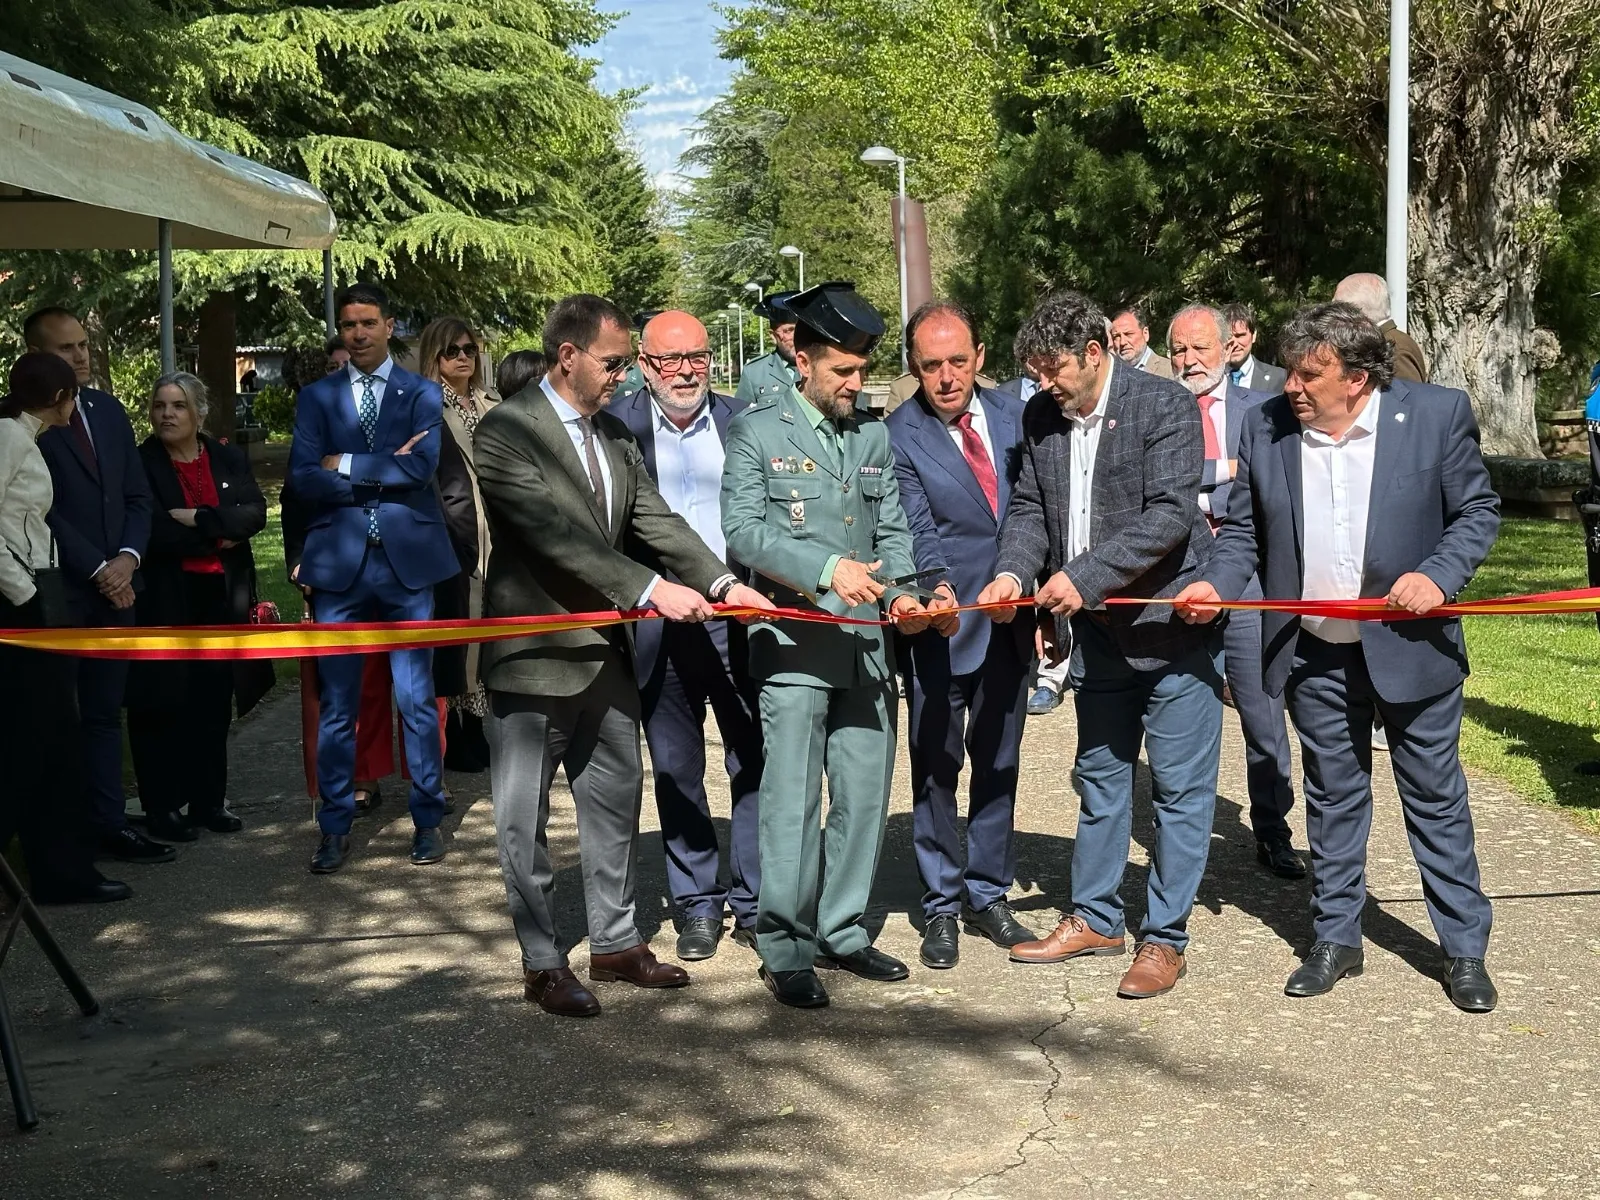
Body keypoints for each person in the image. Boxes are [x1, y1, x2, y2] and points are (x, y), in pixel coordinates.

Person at [1176, 302, 1502, 1013]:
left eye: (1309, 375)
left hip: (1411, 647)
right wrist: (1217, 586)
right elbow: (1244, 534)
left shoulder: (1436, 415)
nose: (1291, 386)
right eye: (1291, 371)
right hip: (1314, 652)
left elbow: (1478, 513)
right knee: (1331, 798)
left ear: (1357, 378)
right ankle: (1335, 937)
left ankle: (1464, 950)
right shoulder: (1266, 425)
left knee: (1435, 799)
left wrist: (1438, 576)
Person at [473, 293, 775, 1018]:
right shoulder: (506, 432)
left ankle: (614, 943)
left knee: (614, 805)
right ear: (567, 356)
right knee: (523, 821)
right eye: (612, 364)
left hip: (605, 657)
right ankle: (542, 962)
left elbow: (656, 521)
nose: (623, 377)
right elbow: (553, 536)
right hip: (534, 660)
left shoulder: (613, 434)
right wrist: (651, 589)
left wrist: (723, 583)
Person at [977, 289, 1224, 1001]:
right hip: (1098, 639)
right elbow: (1030, 509)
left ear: (1094, 353)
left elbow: (1168, 519)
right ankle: (1095, 918)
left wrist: (1081, 578)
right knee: (1100, 777)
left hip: (1172, 634)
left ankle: (1165, 939)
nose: (1043, 384)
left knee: (1178, 792)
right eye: (1034, 372)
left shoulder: (1164, 404)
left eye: (1053, 369)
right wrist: (1011, 573)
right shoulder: (1041, 415)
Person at [722, 281, 936, 1009]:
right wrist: (823, 570)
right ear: (803, 361)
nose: (855, 383)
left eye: (861, 370)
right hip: (793, 644)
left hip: (869, 647)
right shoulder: (758, 431)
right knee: (791, 803)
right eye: (842, 370)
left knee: (863, 797)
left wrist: (901, 592)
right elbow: (744, 532)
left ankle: (841, 930)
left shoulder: (871, 435)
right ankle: (785, 945)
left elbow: (893, 529)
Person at [288, 283, 460, 874]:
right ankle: (334, 826)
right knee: (338, 706)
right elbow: (303, 478)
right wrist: (381, 470)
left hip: (407, 565)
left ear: (389, 325)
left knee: (416, 700)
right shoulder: (318, 398)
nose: (357, 334)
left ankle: (428, 820)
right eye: (348, 325)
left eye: (367, 323)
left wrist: (345, 464)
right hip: (340, 567)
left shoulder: (422, 392)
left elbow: (421, 469)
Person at [885, 301, 1036, 970]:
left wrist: (1031, 593)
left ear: (979, 357)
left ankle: (988, 891)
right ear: (913, 368)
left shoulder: (1017, 416)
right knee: (936, 768)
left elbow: (1037, 509)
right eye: (930, 365)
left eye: (957, 361)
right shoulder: (898, 434)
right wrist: (935, 589)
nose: (946, 377)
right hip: (941, 625)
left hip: (1011, 619)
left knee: (999, 762)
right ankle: (942, 902)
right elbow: (914, 526)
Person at [611, 311, 765, 961]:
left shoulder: (745, 422)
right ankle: (697, 904)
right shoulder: (614, 428)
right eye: (669, 360)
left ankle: (756, 901)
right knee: (676, 770)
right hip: (657, 624)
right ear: (644, 365)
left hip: (738, 620)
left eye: (696, 357)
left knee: (755, 760)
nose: (684, 372)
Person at [25, 306, 170, 864]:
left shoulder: (107, 411)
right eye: (66, 349)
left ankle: (111, 825)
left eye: (83, 345)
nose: (81, 356)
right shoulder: (24, 425)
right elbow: (41, 510)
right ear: (37, 356)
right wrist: (98, 569)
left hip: (120, 589)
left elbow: (136, 495)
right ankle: (69, 840)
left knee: (106, 713)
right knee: (61, 717)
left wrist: (127, 560)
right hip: (59, 590)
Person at [1167, 304, 1303, 879]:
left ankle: (1273, 830)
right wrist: (1222, 469)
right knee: (1178, 715)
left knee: (1263, 714)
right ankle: (1181, 843)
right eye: (1178, 349)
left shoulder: (1264, 411)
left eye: (1200, 348)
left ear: (1228, 348)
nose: (1189, 360)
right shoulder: (1158, 406)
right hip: (1177, 577)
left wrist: (1218, 473)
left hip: (1248, 580)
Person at [0, 353, 131, 904]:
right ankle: (59, 871)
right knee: (39, 739)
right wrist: (26, 594)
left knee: (53, 737)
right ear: (58, 398)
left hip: (41, 594)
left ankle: (61, 869)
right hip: (21, 603)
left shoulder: (26, 436)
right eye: (73, 394)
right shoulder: (8, 438)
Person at [125, 373, 274, 841]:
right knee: (162, 700)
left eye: (178, 406)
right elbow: (155, 532)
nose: (167, 414)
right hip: (167, 597)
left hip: (221, 595)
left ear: (199, 413)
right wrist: (218, 532)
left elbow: (254, 514)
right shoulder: (142, 462)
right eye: (160, 406)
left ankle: (209, 801)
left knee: (212, 700)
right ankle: (163, 806)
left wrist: (200, 518)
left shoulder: (227, 457)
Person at [418, 315, 495, 772]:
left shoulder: (491, 401)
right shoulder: (424, 406)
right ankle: (460, 729)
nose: (463, 357)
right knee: (461, 627)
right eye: (452, 351)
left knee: (489, 624)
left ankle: (480, 720)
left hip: (497, 526)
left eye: (469, 349)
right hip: (453, 527)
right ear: (435, 356)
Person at [1333, 273, 1429, 383]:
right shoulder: (1383, 342)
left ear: (1357, 314)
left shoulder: (1393, 348)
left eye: (1337, 311)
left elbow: (1408, 392)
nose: (1333, 319)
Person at [734, 291, 801, 405]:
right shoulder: (754, 373)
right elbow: (741, 414)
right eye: (788, 331)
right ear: (773, 336)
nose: (797, 337)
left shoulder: (822, 366)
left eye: (801, 329)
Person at [1222, 303, 1287, 393]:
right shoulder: (1210, 378)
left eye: (1240, 336)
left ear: (1254, 336)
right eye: (1228, 337)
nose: (1234, 344)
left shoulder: (1279, 378)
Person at [1109, 307, 1174, 378]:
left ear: (1145, 334)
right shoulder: (1110, 375)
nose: (1122, 342)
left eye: (1128, 334)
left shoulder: (1170, 371)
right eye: (1116, 337)